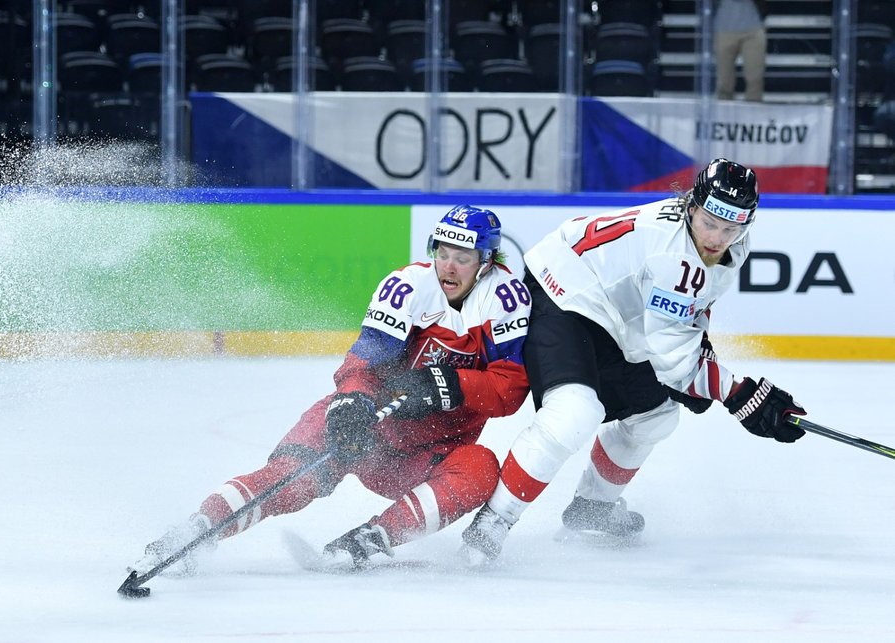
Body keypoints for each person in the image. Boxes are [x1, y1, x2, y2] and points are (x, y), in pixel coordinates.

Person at [129, 205, 531, 574]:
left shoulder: (507, 301)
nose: (448, 266)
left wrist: (448, 384)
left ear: (486, 262)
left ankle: (371, 539)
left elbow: (511, 390)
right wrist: (351, 403)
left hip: (426, 455)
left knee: (479, 468)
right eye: (442, 253)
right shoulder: (407, 287)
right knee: (290, 478)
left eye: (462, 258)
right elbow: (364, 362)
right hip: (368, 426)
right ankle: (197, 530)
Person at [460, 158, 807, 566]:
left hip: (609, 310)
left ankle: (592, 510)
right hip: (562, 293)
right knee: (574, 412)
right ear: (691, 206)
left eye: (731, 228)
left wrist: (703, 355)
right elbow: (675, 363)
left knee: (657, 414)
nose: (717, 237)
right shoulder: (674, 255)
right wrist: (742, 395)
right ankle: (493, 521)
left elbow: (693, 311)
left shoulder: (730, 245)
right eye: (710, 222)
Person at [714, 0, 767, 101]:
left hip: (753, 29)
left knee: (755, 78)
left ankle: (753, 112)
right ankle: (724, 113)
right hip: (723, 29)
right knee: (724, 83)